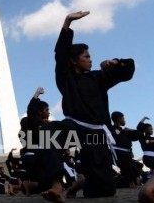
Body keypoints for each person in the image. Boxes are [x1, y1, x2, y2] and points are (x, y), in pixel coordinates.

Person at [38, 11, 135, 202]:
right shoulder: (65, 78)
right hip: (74, 128)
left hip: (95, 135)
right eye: (86, 56)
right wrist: (67, 22)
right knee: (46, 133)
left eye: (91, 57)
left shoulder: (99, 78)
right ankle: (57, 186)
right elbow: (61, 53)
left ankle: (79, 183)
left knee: (104, 189)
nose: (90, 59)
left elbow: (128, 70)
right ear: (74, 60)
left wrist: (116, 62)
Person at [22, 87, 49, 196]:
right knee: (46, 184)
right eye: (47, 110)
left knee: (45, 184)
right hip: (35, 156)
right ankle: (27, 185)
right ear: (40, 111)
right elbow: (31, 109)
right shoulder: (34, 121)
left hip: (38, 156)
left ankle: (27, 186)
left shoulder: (44, 123)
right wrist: (36, 94)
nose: (49, 112)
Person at [111, 111, 141, 188]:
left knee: (136, 166)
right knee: (127, 167)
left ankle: (134, 182)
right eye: (123, 118)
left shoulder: (125, 131)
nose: (124, 120)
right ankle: (131, 183)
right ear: (118, 119)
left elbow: (138, 136)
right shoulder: (111, 129)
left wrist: (132, 130)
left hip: (127, 152)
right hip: (118, 152)